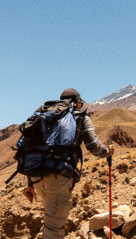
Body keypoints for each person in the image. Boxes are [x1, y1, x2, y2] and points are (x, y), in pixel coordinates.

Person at [32, 88, 114, 239]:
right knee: (53, 230)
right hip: (59, 178)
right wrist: (107, 151)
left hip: (37, 176)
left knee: (51, 222)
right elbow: (93, 146)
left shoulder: (47, 116)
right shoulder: (80, 117)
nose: (81, 105)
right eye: (81, 103)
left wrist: (29, 183)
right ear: (77, 102)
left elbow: (32, 147)